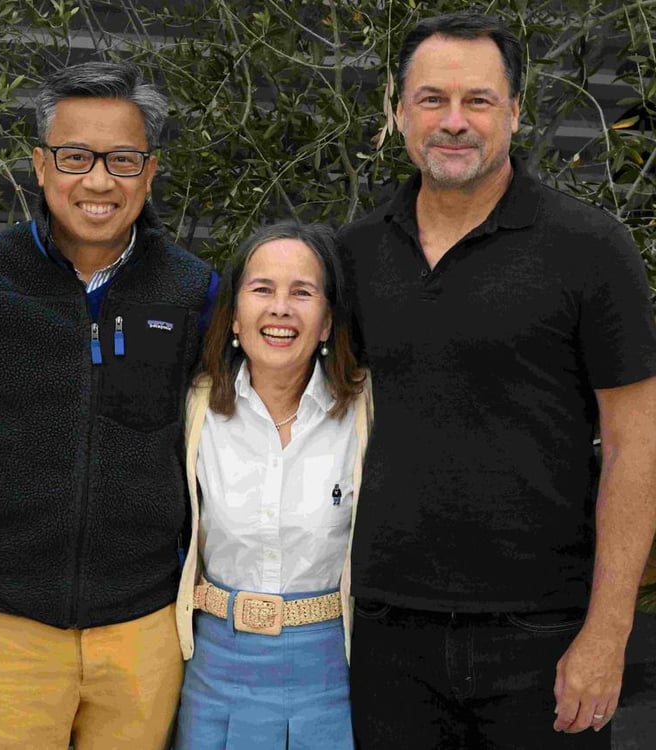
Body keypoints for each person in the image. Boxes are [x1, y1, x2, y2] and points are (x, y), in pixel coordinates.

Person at [336, 11, 656, 750]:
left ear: (514, 111)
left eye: (477, 100)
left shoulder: (591, 249)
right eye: (432, 99)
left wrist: (607, 635)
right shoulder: (355, 254)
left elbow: (636, 448)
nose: (454, 121)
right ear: (397, 110)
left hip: (545, 636)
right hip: (386, 634)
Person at [0, 60, 218, 749]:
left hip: (145, 627)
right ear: (41, 166)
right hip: (0, 626)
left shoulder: (193, 291)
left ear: (150, 172)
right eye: (75, 157)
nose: (98, 181)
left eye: (122, 159)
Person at [171, 220, 373, 749]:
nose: (281, 308)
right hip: (215, 670)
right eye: (262, 289)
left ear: (327, 322)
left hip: (331, 674)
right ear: (235, 315)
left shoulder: (366, 412)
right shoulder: (194, 408)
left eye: (302, 293)